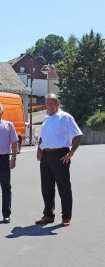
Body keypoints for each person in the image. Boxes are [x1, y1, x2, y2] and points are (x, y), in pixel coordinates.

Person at [35, 94, 83, 227]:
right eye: (47, 103)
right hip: (46, 156)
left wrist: (70, 153)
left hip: (60, 155)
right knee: (46, 187)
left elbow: (78, 135)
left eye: (51, 103)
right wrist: (39, 149)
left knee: (64, 188)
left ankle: (66, 216)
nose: (49, 105)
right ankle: (48, 215)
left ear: (57, 103)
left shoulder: (65, 117)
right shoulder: (46, 118)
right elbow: (43, 136)